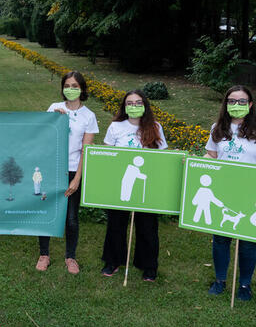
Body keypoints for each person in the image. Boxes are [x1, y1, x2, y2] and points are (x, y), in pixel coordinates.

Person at [204, 85, 256, 301]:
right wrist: (197, 164)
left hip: (251, 192)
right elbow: (211, 155)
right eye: (232, 101)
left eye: (241, 102)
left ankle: (245, 285)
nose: (236, 105)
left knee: (248, 241)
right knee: (220, 237)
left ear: (250, 105)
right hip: (223, 190)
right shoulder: (217, 128)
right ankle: (220, 280)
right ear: (226, 104)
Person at [100, 90, 167, 281]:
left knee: (147, 226)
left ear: (145, 106)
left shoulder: (155, 127)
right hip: (121, 182)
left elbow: (162, 157)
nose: (134, 106)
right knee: (116, 224)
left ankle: (148, 265)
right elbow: (107, 154)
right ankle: (113, 261)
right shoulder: (115, 126)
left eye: (138, 103)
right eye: (130, 103)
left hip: (147, 185)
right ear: (124, 107)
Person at [37, 70, 98, 274]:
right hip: (51, 167)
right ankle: (44, 254)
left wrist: (77, 179)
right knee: (46, 211)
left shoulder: (88, 116)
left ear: (82, 89)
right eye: (67, 86)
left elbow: (85, 150)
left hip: (72, 170)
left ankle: (70, 257)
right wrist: (52, 120)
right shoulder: (55, 108)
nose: (70, 90)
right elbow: (42, 137)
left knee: (71, 217)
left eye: (75, 86)